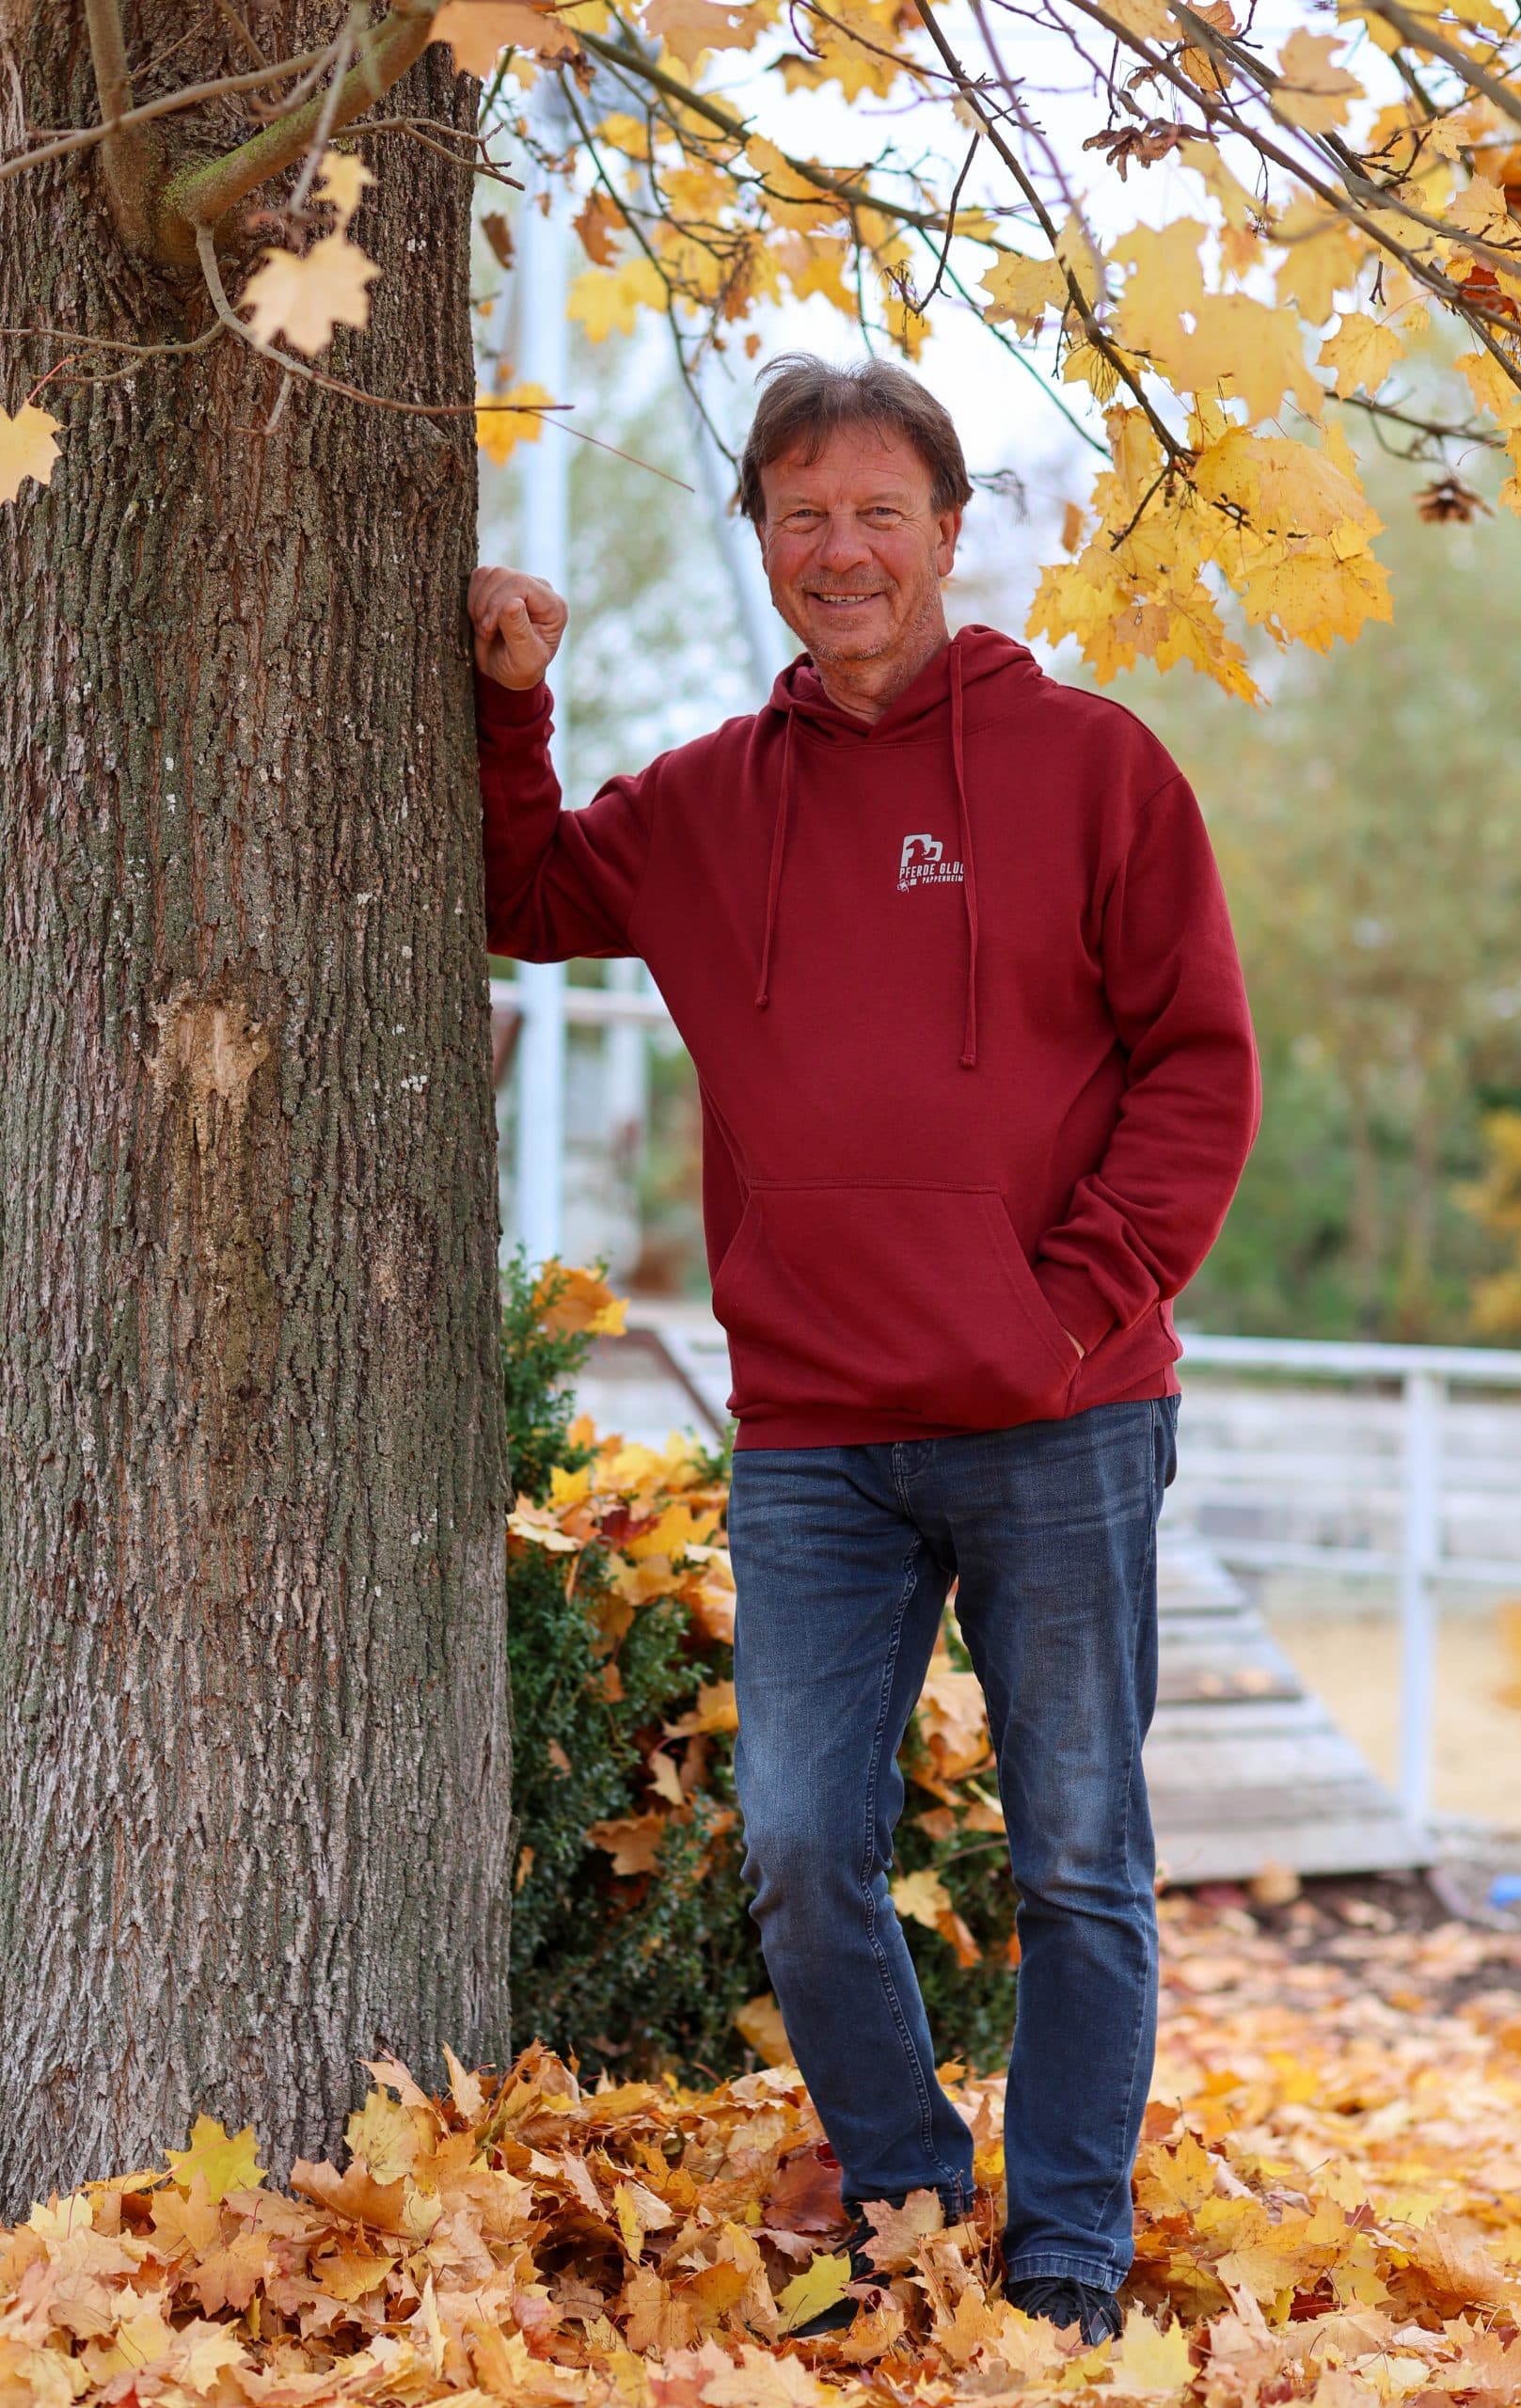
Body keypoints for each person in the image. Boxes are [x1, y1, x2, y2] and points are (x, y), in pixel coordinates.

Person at [471, 355, 1260, 2344]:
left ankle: (1064, 2251)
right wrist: (508, 700)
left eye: (875, 511)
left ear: (943, 527)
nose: (840, 550)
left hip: (1062, 1413)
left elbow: (1197, 1063)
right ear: (760, 539)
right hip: (817, 1426)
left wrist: (1071, 1297)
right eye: (800, 514)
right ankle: (908, 2185)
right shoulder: (709, 804)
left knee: (1080, 1856)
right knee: (805, 1844)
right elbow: (522, 886)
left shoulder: (1090, 766)